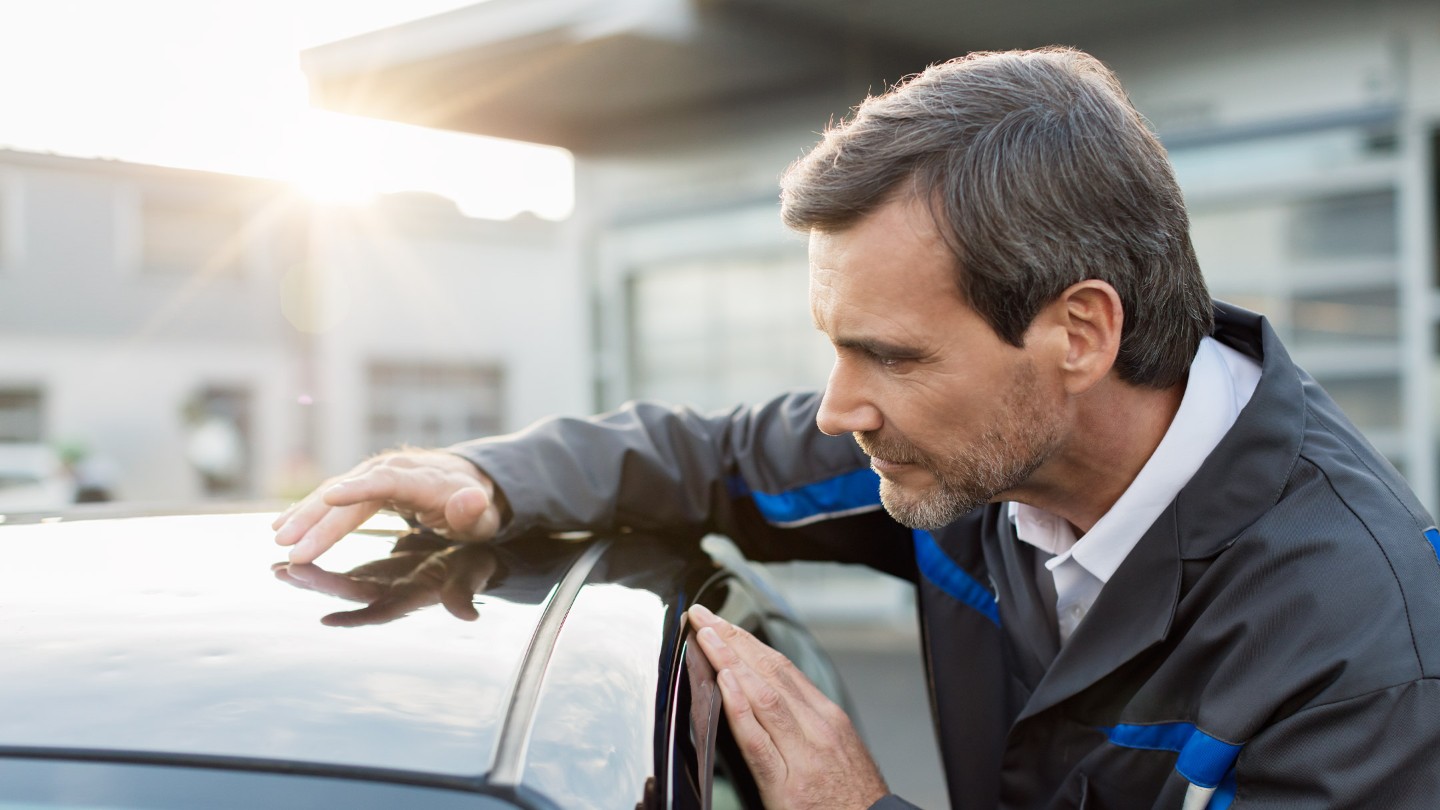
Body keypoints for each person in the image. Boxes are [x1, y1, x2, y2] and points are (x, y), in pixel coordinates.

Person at [274, 47, 1440, 809]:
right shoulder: (984, 449)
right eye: (835, 345)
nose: (839, 410)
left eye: (888, 354)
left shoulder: (1360, 651)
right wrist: (494, 477)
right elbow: (717, 457)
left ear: (1080, 333)